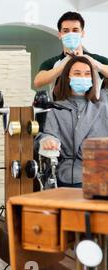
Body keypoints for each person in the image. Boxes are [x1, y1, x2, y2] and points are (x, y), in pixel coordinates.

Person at [37, 56, 108, 188]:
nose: (83, 77)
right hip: (71, 173)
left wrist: (98, 66)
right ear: (67, 78)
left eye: (87, 74)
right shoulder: (55, 108)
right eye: (77, 73)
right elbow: (49, 134)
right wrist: (48, 140)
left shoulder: (103, 106)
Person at [34, 11, 108, 98]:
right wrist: (63, 66)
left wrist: (98, 66)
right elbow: (37, 82)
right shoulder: (52, 63)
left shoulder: (97, 60)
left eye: (75, 30)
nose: (70, 34)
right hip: (61, 110)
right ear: (60, 34)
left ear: (82, 33)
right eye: (66, 31)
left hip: (92, 110)